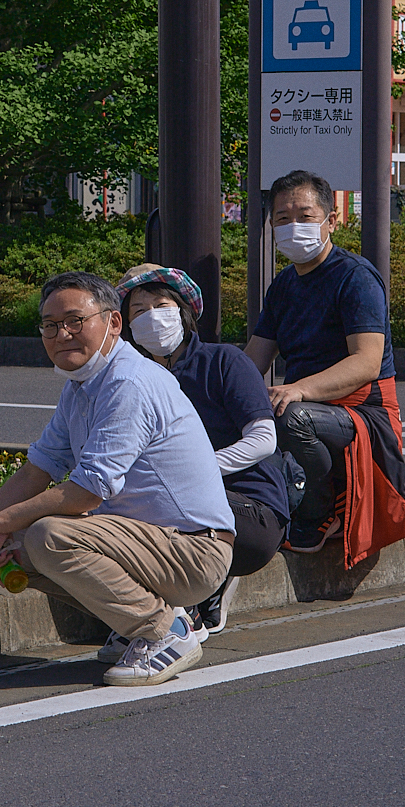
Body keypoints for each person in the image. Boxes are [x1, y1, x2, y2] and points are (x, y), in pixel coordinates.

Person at [0, 271, 235, 687]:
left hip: (195, 550)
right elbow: (35, 472)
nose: (63, 335)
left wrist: (4, 523)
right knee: (13, 550)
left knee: (47, 536)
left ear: (113, 322)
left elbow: (88, 492)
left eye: (76, 321)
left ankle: (164, 632)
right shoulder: (82, 386)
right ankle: (138, 622)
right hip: (152, 544)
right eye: (51, 325)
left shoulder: (130, 382)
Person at [243, 169, 405, 567]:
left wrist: (299, 389)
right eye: (283, 219)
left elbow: (366, 362)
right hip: (313, 409)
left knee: (291, 417)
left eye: (305, 216)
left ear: (331, 220)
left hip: (362, 412)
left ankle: (321, 512)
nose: (294, 227)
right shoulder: (284, 285)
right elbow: (253, 359)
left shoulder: (354, 277)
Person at [116, 263, 296, 642]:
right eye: (138, 311)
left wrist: (197, 469)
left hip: (249, 510)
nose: (152, 318)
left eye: (161, 306)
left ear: (183, 312)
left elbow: (264, 437)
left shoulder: (224, 361)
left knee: (157, 503)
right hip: (174, 509)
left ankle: (184, 614)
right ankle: (158, 612)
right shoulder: (130, 377)